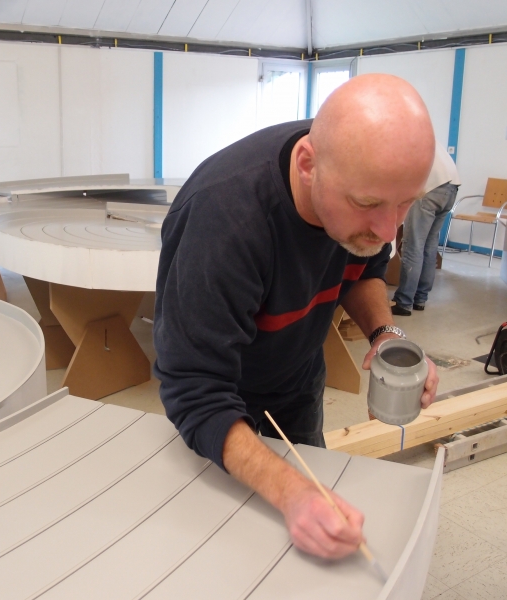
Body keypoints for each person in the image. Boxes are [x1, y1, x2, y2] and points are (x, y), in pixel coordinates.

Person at [153, 74, 439, 561]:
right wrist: (292, 493)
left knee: (301, 548)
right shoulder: (223, 221)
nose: (388, 229)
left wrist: (386, 335)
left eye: (405, 204)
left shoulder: (363, 171)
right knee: (229, 549)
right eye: (368, 204)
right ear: (308, 166)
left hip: (298, 380)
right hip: (224, 400)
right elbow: (197, 393)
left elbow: (364, 269)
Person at [392, 145, 461, 316]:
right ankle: (420, 299)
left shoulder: (402, 140)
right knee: (429, 245)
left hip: (429, 189)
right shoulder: (427, 138)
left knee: (413, 246)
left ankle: (404, 303)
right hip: (451, 189)